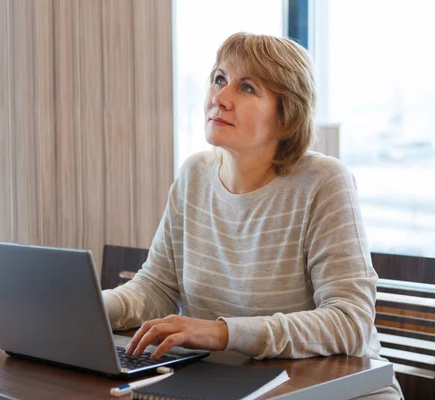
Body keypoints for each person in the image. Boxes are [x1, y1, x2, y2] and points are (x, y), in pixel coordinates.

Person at [102, 32, 403, 399]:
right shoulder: (194, 174)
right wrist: (94, 307)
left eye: (246, 88)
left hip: (338, 389)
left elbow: (350, 321)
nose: (220, 98)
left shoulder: (324, 181)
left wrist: (223, 333)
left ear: (286, 115)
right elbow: (157, 288)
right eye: (219, 79)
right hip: (230, 384)